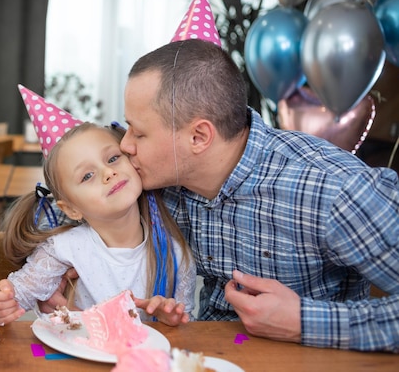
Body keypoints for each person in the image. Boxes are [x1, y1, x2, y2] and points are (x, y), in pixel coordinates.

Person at [117, 39, 399, 352]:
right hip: (209, 354)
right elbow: (78, 189)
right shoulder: (160, 177)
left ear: (199, 136)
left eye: (138, 133)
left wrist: (303, 321)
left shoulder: (335, 191)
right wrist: (57, 268)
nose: (125, 145)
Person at [0, 122, 195, 327]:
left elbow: (189, 329)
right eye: (87, 175)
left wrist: (171, 322)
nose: (108, 172)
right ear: (71, 209)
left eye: (113, 158)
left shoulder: (176, 255)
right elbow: (17, 296)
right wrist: (1, 304)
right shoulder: (62, 248)